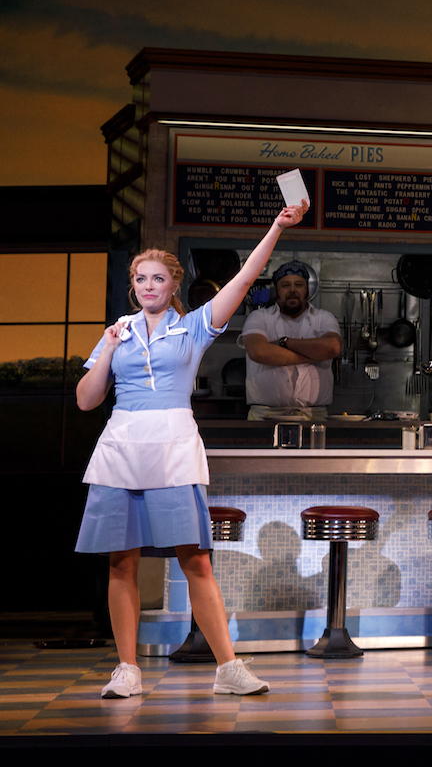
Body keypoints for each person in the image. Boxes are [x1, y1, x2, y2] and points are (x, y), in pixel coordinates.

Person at [75, 202, 310, 699]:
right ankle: (127, 668)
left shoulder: (195, 326)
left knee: (196, 560)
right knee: (122, 562)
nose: (148, 287)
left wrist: (275, 227)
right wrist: (110, 348)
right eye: (141, 279)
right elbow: (87, 399)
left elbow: (246, 278)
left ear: (173, 285)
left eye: (158, 279)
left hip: (174, 446)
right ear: (133, 285)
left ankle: (227, 667)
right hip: (121, 446)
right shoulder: (117, 331)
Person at [241, 260, 342, 422]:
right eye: (286, 285)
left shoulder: (323, 318)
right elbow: (258, 351)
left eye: (299, 284)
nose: (292, 290)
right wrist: (313, 355)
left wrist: (284, 342)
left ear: (307, 290)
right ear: (277, 291)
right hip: (264, 416)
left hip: (314, 417)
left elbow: (332, 348)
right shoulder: (259, 318)